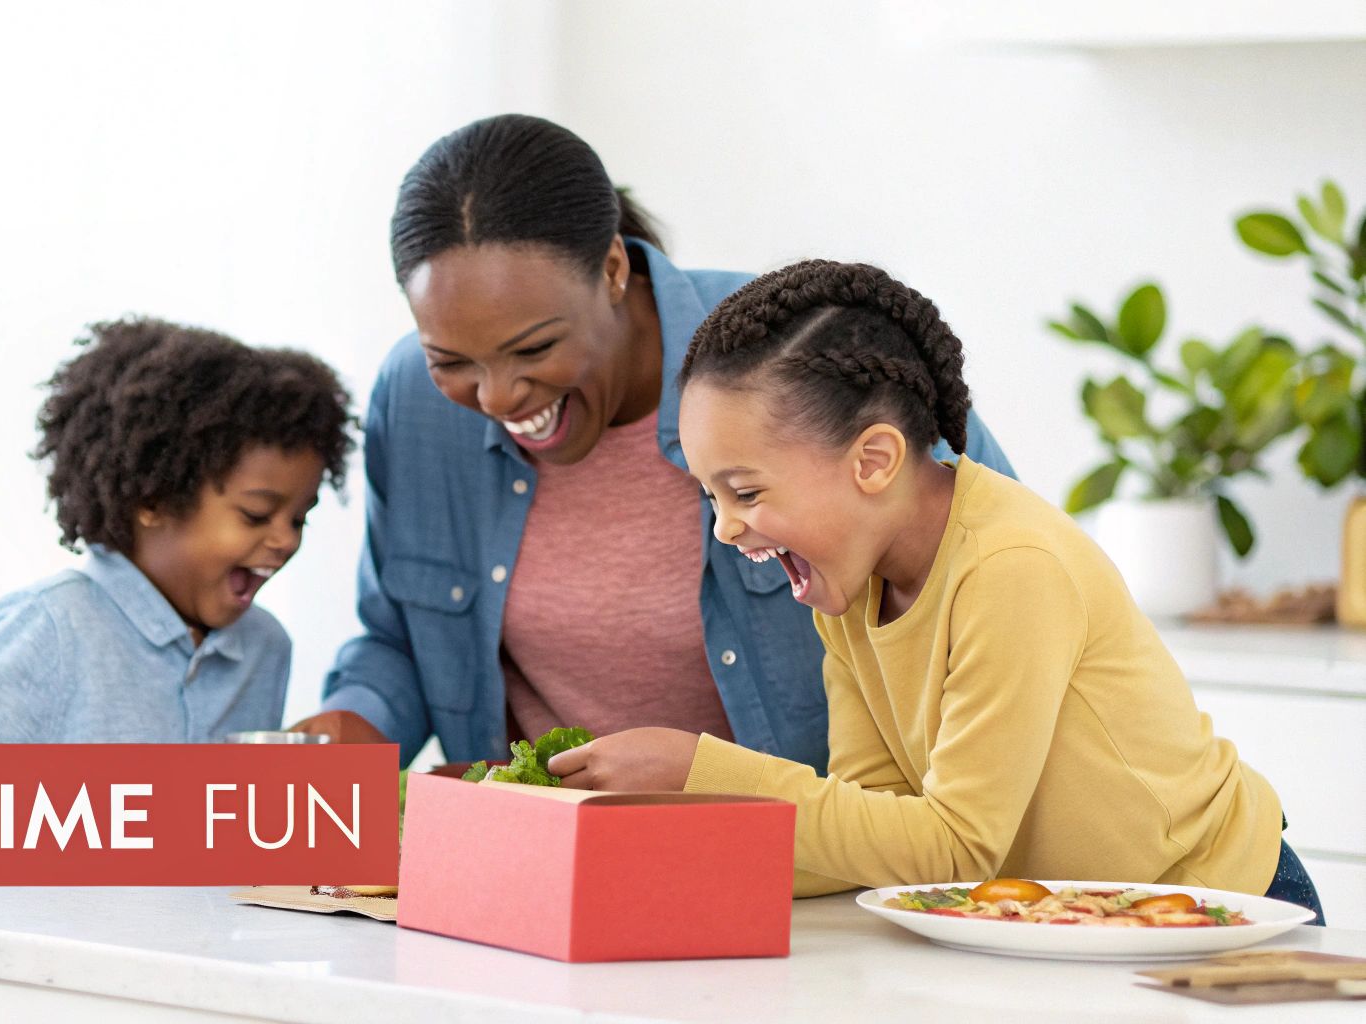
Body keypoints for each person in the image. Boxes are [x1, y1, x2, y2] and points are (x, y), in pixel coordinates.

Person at [549, 259, 1324, 920]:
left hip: (1212, 903)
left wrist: (703, 772)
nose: (724, 529)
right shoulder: (849, 587)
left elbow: (957, 844)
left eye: (745, 493)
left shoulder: (1010, 567)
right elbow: (874, 832)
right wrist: (681, 839)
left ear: (875, 461)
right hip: (1067, 919)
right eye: (709, 497)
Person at [292, 114, 1014, 768]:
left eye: (533, 349)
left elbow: (1005, 594)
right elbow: (399, 642)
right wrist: (357, 720)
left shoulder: (808, 356)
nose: (498, 397)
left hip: (831, 871)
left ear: (612, 269)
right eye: (453, 361)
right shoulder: (414, 402)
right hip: (540, 867)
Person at [0, 317, 355, 743]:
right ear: (154, 498)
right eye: (256, 515)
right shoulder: (46, 628)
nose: (286, 540)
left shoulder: (264, 648)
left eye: (299, 518)